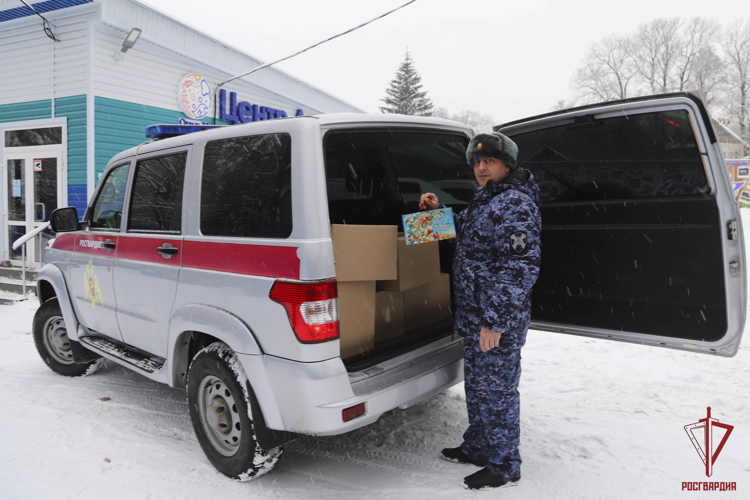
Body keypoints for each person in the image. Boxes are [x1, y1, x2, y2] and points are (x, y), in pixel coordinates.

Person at [420, 132, 541, 490]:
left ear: (507, 165)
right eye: (477, 161)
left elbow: (520, 269)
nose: (481, 167)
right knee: (477, 386)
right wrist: (433, 213)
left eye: (489, 161)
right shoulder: (487, 198)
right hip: (475, 317)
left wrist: (495, 323)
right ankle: (478, 447)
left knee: (498, 392)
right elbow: (462, 232)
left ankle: (504, 465)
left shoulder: (515, 204)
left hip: (495, 322)